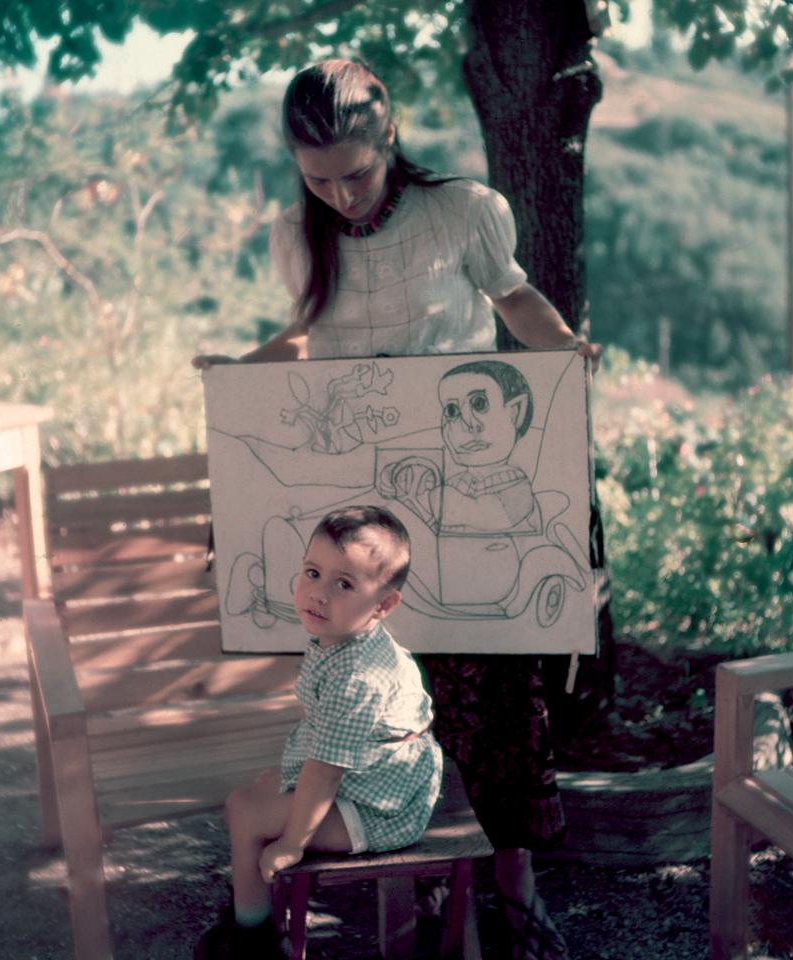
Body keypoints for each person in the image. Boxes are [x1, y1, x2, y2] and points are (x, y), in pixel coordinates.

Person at [194, 58, 604, 959]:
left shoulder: (463, 210)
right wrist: (236, 379)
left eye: (355, 172)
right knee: (378, 693)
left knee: (498, 695)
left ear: (389, 136)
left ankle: (515, 893)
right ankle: (406, 893)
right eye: (318, 179)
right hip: (363, 506)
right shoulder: (298, 235)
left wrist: (567, 351)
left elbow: (513, 297)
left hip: (462, 473)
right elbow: (306, 339)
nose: (340, 195)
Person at [195, 505, 443, 958]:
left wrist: (292, 844)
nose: (319, 593)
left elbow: (325, 772)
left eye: (343, 584)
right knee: (263, 787)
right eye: (312, 573)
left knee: (244, 811)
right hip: (370, 776)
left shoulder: (358, 677)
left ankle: (251, 938)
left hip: (381, 809)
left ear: (384, 605)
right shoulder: (345, 640)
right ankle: (253, 904)